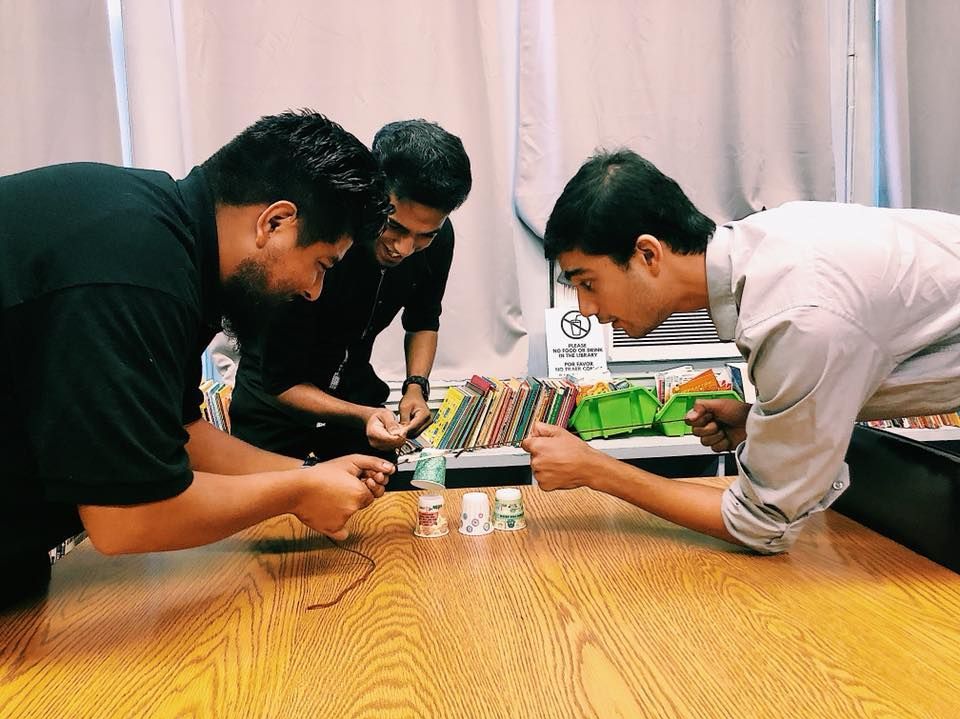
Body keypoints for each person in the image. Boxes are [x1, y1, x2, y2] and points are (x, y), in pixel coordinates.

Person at [0, 110, 396, 609]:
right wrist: (295, 493)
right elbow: (125, 519)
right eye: (321, 264)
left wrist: (307, 474)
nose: (314, 291)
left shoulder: (169, 245)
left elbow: (182, 432)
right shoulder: (133, 267)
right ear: (275, 222)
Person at [523, 149, 960, 554]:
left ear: (647, 254)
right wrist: (762, 419)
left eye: (587, 283)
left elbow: (760, 525)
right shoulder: (774, 243)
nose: (586, 310)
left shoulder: (795, 313)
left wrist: (596, 470)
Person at [229, 120, 472, 485]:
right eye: (395, 227)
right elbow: (281, 382)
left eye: (425, 235)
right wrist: (363, 415)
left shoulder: (437, 242)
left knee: (372, 522)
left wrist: (415, 387)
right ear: (375, 193)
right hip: (274, 402)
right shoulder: (323, 237)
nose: (405, 249)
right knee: (273, 529)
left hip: (355, 395)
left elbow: (424, 319)